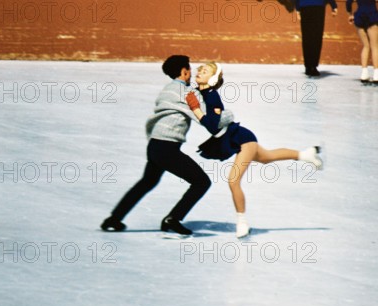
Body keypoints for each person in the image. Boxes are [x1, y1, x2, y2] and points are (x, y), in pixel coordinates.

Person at [185, 62, 324, 238]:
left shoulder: (212, 96)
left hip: (241, 139)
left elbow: (213, 126)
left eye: (204, 71)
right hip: (238, 138)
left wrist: (195, 109)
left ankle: (242, 222)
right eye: (200, 70)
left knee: (233, 181)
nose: (199, 72)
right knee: (268, 157)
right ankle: (306, 154)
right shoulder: (204, 93)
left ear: (212, 79)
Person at [100, 55, 232, 235]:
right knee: (201, 182)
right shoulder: (186, 93)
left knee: (147, 182)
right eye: (190, 70)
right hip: (167, 148)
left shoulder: (168, 89)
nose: (192, 74)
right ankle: (173, 219)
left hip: (155, 145)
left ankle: (114, 219)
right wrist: (229, 116)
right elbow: (207, 120)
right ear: (184, 72)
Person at [295, 0, 338, 77]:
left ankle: (308, 66)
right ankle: (313, 66)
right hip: (318, 6)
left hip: (305, 6)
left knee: (306, 36)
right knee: (316, 36)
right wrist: (333, 5)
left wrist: (297, 8)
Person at [346, 0, 378, 81]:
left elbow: (348, 2)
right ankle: (376, 74)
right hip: (372, 15)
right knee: (375, 47)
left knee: (366, 46)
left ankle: (364, 73)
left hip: (359, 16)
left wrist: (350, 14)